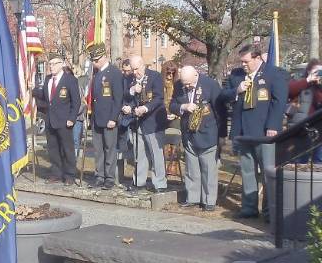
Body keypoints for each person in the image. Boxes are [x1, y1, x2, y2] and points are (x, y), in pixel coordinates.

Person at [222, 44, 288, 219]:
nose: (243, 64)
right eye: (241, 61)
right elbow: (223, 96)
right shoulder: (236, 75)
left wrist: (273, 126)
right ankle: (249, 208)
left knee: (268, 174)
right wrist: (237, 90)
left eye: (246, 61)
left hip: (265, 132)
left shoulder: (273, 73)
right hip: (243, 132)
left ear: (257, 58)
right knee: (247, 171)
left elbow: (279, 101)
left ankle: (269, 211)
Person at [170, 66, 221, 211]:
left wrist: (221, 135)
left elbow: (220, 111)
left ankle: (209, 200)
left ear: (196, 75)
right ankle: (192, 198)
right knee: (191, 169)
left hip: (207, 132)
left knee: (208, 169)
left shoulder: (210, 85)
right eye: (184, 84)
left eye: (189, 84)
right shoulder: (179, 86)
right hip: (188, 132)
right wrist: (184, 106)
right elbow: (172, 105)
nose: (186, 86)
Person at [122, 55, 168, 193]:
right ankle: (138, 181)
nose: (134, 72)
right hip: (136, 122)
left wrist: (145, 108)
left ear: (143, 65)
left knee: (156, 154)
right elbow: (125, 97)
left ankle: (160, 183)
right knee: (139, 154)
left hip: (153, 121)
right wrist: (128, 103)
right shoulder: (129, 79)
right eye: (132, 69)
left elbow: (159, 98)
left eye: (136, 69)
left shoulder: (154, 76)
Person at [33, 56, 81, 185]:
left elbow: (76, 102)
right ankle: (56, 173)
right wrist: (33, 90)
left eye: (54, 64)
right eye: (50, 64)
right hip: (50, 120)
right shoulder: (48, 79)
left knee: (67, 149)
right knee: (53, 148)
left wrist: (72, 118)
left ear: (61, 64)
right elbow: (45, 96)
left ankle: (70, 175)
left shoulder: (70, 80)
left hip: (65, 121)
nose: (51, 66)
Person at [87, 43, 124, 190]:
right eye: (93, 60)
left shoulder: (114, 73)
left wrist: (113, 118)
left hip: (109, 118)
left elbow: (117, 98)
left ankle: (109, 177)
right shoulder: (97, 75)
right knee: (98, 149)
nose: (94, 63)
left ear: (103, 57)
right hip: (97, 118)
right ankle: (99, 175)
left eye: (96, 60)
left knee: (109, 149)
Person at [287, 59, 322, 162]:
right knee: (299, 158)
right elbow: (289, 90)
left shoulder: (319, 87)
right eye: (316, 71)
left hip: (318, 127)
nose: (318, 74)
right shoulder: (300, 81)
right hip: (301, 127)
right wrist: (308, 80)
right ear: (308, 71)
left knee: (319, 159)